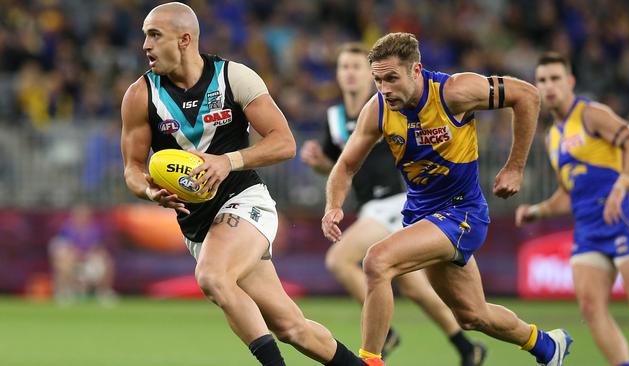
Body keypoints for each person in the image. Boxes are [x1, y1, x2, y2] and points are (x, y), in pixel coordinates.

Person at [120, 3, 365, 366]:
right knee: (290, 326)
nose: (145, 45)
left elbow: (284, 142)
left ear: (185, 39)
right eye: (145, 35)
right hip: (197, 227)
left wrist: (228, 161)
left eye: (154, 34)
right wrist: (148, 190)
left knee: (212, 277)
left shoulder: (234, 77)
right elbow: (132, 169)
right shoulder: (140, 95)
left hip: (245, 200)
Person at [321, 32, 572, 366]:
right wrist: (333, 206)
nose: (385, 89)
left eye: (392, 78)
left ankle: (369, 361)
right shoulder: (378, 109)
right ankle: (546, 346)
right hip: (422, 216)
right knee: (472, 315)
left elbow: (527, 95)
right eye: (378, 80)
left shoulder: (453, 91)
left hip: (461, 212)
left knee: (376, 261)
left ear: (416, 70)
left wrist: (515, 167)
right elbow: (345, 166)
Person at [301, 42, 487, 365]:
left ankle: (384, 337)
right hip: (370, 207)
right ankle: (465, 345)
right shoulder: (334, 118)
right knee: (413, 287)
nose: (350, 74)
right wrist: (319, 163)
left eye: (356, 67)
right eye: (344, 67)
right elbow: (343, 166)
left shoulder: (390, 105)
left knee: (340, 260)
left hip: (396, 200)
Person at [516, 52, 629, 366]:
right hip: (588, 229)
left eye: (555, 78)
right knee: (591, 308)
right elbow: (568, 193)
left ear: (570, 81)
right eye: (542, 80)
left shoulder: (591, 114)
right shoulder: (552, 137)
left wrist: (622, 185)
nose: (549, 86)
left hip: (618, 218)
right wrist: (538, 210)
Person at [49, 205, 116, 305]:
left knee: (107, 261)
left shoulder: (95, 229)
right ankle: (63, 292)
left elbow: (98, 248)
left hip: (89, 260)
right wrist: (76, 255)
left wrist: (90, 255)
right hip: (73, 261)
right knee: (63, 262)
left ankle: (104, 292)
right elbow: (64, 247)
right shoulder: (66, 229)